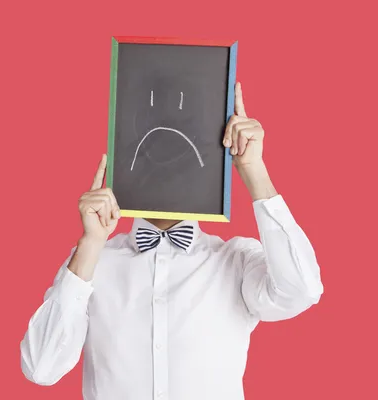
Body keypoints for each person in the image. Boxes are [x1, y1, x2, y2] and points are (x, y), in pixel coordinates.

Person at [20, 82, 323, 400]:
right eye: (152, 146)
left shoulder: (236, 260)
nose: (165, 162)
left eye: (180, 147)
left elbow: (301, 291)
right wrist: (91, 243)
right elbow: (41, 367)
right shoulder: (93, 262)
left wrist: (255, 171)